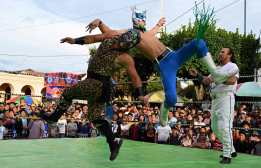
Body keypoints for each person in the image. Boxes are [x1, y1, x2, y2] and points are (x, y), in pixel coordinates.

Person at [84, 7, 215, 127]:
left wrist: (158, 25)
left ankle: (216, 72)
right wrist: (100, 23)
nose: (141, 22)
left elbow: (153, 31)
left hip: (174, 56)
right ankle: (164, 110)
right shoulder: (130, 34)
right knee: (171, 99)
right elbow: (110, 33)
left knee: (199, 43)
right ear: (135, 21)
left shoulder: (146, 33)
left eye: (143, 20)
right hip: (164, 66)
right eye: (139, 20)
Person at [41, 19, 148, 161]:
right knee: (95, 118)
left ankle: (53, 118)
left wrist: (141, 94)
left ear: (128, 46)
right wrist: (74, 40)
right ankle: (113, 143)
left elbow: (135, 77)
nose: (119, 44)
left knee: (67, 93)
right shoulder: (112, 37)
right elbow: (92, 38)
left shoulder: (125, 58)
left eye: (123, 44)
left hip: (96, 83)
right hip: (101, 87)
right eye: (121, 40)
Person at [189, 47, 239, 164]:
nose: (220, 53)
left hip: (226, 98)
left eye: (223, 52)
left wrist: (217, 79)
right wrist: (197, 74)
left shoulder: (232, 66)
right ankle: (231, 149)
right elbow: (207, 81)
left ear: (229, 55)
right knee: (215, 127)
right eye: (220, 51)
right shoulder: (216, 68)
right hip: (215, 100)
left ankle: (227, 155)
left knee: (224, 126)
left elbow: (232, 81)